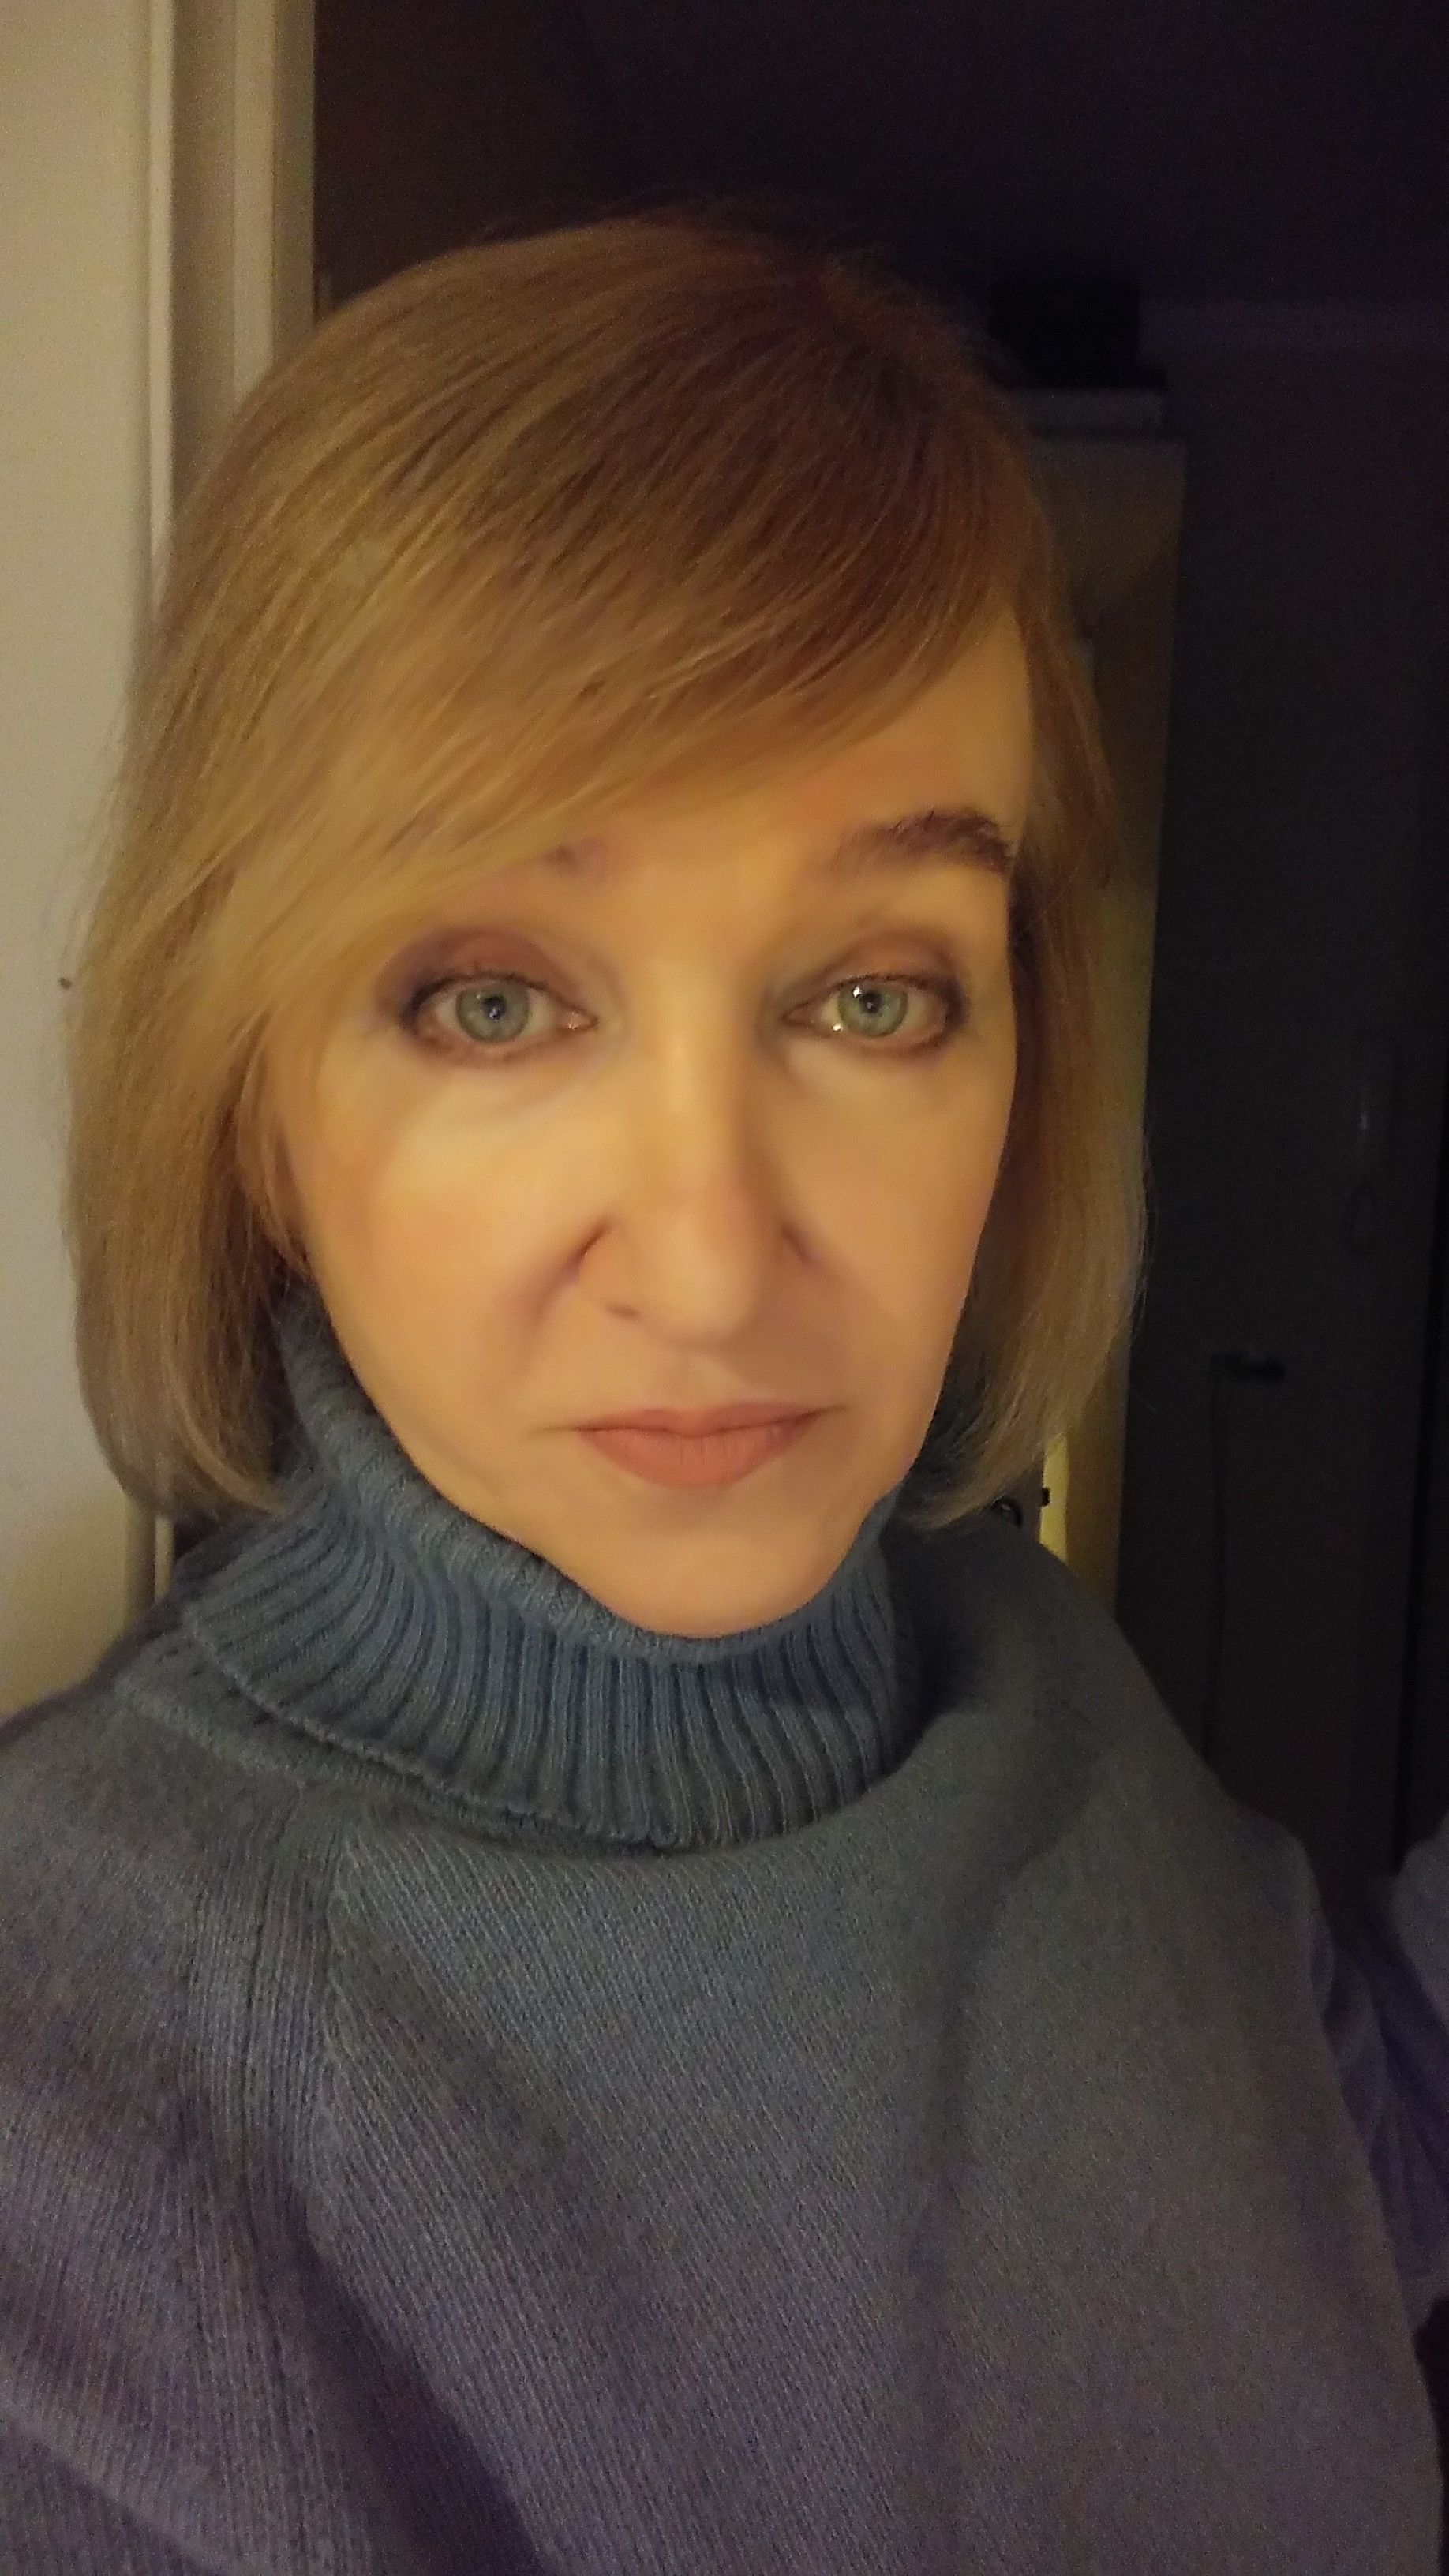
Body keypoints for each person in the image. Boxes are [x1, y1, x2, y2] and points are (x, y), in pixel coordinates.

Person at [0, 213, 1443, 2574]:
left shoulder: (1017, 1659)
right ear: (252, 1106)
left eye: (872, 996)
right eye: (490, 1000)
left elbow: (1306, 2200)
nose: (707, 1263)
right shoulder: (84, 2105)